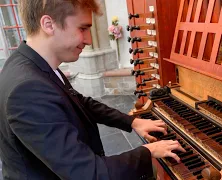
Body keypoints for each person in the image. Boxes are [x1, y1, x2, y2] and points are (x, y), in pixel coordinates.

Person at [0, 0, 185, 180]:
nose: (89, 39)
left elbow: (81, 103)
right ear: (49, 24)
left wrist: (132, 122)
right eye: (83, 28)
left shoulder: (35, 64)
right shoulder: (28, 89)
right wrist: (148, 152)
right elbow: (89, 174)